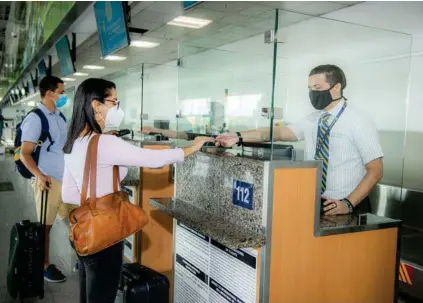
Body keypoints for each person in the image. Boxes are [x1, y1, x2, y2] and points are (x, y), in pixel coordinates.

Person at [61, 78, 212, 303]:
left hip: (84, 231)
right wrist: (190, 148)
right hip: (105, 236)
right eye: (114, 101)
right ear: (96, 105)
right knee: (102, 296)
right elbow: (152, 159)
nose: (117, 108)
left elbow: (68, 194)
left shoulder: (75, 142)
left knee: (89, 294)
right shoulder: (104, 143)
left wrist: (94, 199)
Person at [216, 64, 383, 216]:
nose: (313, 93)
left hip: (349, 205)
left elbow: (375, 170)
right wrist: (238, 136)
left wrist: (348, 204)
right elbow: (277, 133)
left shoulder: (358, 120)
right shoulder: (313, 119)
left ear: (337, 87)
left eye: (318, 87)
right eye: (310, 88)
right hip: (318, 202)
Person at [20, 76, 68, 282]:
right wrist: (40, 176)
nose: (63, 96)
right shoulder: (35, 118)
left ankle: (84, 258)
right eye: (61, 92)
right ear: (50, 93)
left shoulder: (60, 116)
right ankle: (45, 265)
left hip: (65, 179)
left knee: (76, 220)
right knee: (45, 227)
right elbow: (25, 153)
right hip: (48, 181)